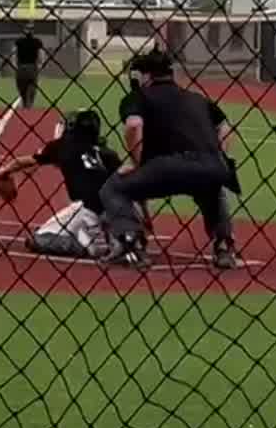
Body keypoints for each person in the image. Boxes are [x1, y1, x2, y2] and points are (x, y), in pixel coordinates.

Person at [99, 49, 239, 269]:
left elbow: (134, 125)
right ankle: (223, 245)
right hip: (209, 167)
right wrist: (218, 157)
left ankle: (131, 245)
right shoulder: (196, 98)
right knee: (212, 189)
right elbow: (225, 128)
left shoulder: (138, 97)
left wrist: (137, 164)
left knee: (113, 189)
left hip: (164, 168)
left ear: (145, 76)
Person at [0, 109, 119, 259]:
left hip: (86, 208)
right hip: (116, 209)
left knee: (38, 239)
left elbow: (25, 162)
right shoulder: (106, 152)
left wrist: (3, 172)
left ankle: (85, 242)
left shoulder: (62, 145)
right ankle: (119, 238)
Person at [13, 29, 44, 109]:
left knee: (22, 90)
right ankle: (29, 107)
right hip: (32, 68)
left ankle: (24, 104)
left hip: (21, 68)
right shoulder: (37, 42)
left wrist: (15, 65)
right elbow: (41, 54)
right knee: (32, 91)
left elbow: (14, 54)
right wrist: (40, 65)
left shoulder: (19, 42)